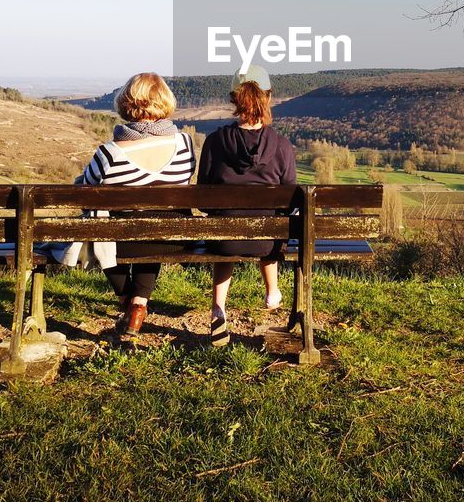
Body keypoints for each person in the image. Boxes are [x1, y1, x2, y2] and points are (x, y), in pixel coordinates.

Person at [58, 72, 195, 336]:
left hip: (121, 240)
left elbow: (84, 192)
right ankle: (138, 304)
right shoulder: (185, 144)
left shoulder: (110, 152)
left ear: (126, 104)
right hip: (174, 238)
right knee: (155, 223)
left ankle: (126, 299)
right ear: (164, 101)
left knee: (99, 225)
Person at [197, 64, 295, 346]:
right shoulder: (282, 145)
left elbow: (203, 197)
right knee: (269, 224)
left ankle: (218, 307)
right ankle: (272, 291)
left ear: (234, 99)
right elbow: (288, 199)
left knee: (226, 229)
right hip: (267, 241)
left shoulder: (215, 142)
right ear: (267, 97)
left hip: (224, 240)